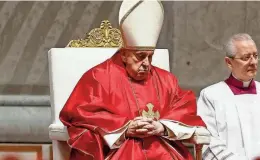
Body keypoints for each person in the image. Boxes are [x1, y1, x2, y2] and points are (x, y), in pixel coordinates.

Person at [59, 0, 207, 159]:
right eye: (140, 57)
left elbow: (184, 108)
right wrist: (124, 128)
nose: (147, 64)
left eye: (150, 57)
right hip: (120, 149)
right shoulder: (99, 76)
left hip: (162, 147)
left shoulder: (166, 79)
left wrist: (162, 127)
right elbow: (80, 114)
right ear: (123, 54)